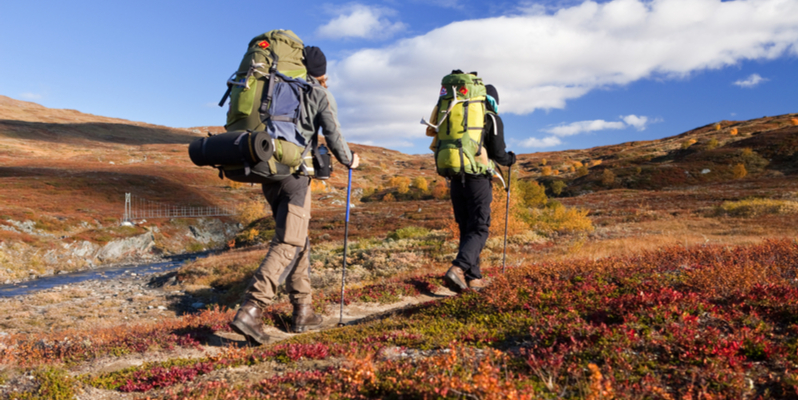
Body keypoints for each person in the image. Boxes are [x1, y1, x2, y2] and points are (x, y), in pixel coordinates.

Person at [230, 46, 360, 345]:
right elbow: (334, 135)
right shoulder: (318, 93)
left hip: (269, 168)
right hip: (295, 175)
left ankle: (303, 310)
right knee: (289, 241)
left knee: (298, 238)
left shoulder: (278, 88)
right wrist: (349, 159)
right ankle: (252, 309)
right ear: (322, 73)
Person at [443, 84, 515, 292]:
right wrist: (511, 159)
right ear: (494, 101)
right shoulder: (491, 118)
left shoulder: (459, 117)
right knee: (480, 228)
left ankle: (473, 278)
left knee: (467, 228)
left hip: (457, 178)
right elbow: (499, 154)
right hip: (477, 178)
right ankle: (458, 268)